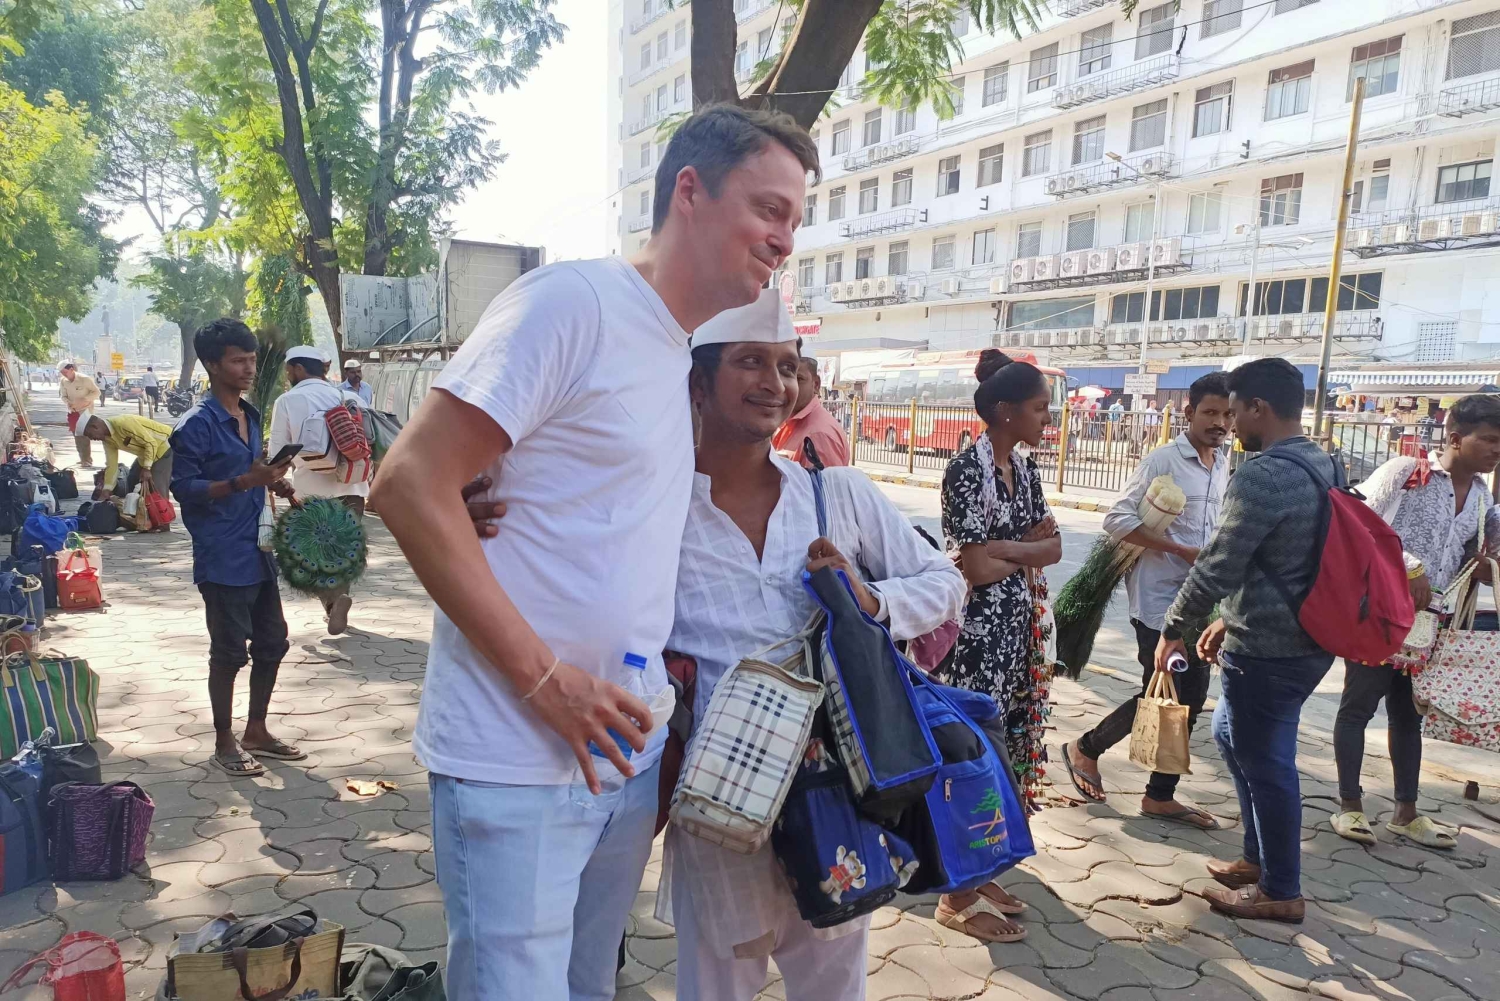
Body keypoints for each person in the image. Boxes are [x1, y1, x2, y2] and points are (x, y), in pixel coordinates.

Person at [367, 104, 819, 1001]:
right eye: (770, 210)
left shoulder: (671, 351)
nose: (784, 241)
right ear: (689, 190)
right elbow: (408, 482)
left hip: (620, 753)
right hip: (518, 753)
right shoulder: (569, 302)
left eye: (795, 222)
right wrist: (547, 682)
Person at [665, 293, 963, 1000]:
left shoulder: (838, 495)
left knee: (833, 984)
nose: (774, 382)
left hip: (838, 791)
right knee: (716, 985)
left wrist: (874, 602)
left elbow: (945, 581)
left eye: (787, 365)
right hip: (722, 803)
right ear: (698, 382)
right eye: (750, 362)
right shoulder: (659, 504)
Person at [1154, 357, 1334, 923]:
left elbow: (1218, 565)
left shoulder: (1262, 473)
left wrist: (1172, 630)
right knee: (1230, 736)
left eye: (1235, 413)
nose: (1231, 425)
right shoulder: (1321, 462)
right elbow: (1291, 556)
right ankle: (1259, 861)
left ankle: (1282, 890)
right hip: (1298, 634)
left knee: (1267, 760)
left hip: (1273, 647)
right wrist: (1226, 620)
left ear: (1259, 408)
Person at [1062, 373, 1233, 830]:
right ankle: (1089, 750)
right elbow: (1116, 519)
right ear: (1188, 413)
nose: (1220, 422)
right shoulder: (1164, 460)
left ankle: (1157, 793)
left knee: (1184, 696)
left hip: (1198, 601)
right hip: (1159, 601)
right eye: (1210, 412)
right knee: (1173, 693)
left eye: (1227, 414)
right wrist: (1180, 550)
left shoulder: (1221, 463)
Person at [1331, 394, 1500, 850]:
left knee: (1409, 716)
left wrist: (1486, 564)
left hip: (1433, 628)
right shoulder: (1405, 472)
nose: (1496, 451)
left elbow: (1481, 551)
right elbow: (1354, 519)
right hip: (1380, 616)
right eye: (1489, 440)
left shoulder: (1484, 498)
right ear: (1455, 438)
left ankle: (1406, 812)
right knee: (1358, 708)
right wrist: (1410, 567)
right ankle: (1349, 806)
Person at [937, 349, 1062, 944]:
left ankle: (984, 872)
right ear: (1006, 411)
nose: (1049, 417)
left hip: (1017, 632)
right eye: (1040, 408)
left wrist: (1005, 548)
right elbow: (974, 569)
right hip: (975, 637)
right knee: (971, 757)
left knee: (1006, 750)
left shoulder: (1026, 470)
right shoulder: (966, 470)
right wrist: (1021, 548)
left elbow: (1053, 548)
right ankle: (955, 893)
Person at [170, 319, 304, 778]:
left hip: (258, 549)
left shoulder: (248, 415)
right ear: (212, 365)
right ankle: (224, 741)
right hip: (222, 555)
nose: (249, 368)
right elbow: (183, 488)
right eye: (237, 360)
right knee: (228, 653)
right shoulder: (195, 425)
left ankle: (257, 731)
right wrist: (245, 481)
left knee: (273, 643)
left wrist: (274, 481)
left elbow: (250, 469)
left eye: (251, 359)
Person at [267, 346, 369, 636]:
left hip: (310, 490)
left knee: (317, 553)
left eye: (289, 370)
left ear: (298, 369)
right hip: (353, 485)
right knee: (345, 549)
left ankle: (333, 602)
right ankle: (339, 599)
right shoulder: (347, 396)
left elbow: (278, 450)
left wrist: (275, 482)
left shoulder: (288, 400)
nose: (287, 376)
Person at [771, 342, 849, 468]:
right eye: (784, 377)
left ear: (816, 384)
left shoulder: (818, 435)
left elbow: (820, 487)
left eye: (799, 379)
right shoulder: (784, 420)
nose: (790, 386)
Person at [81, 414, 174, 508]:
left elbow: (151, 443)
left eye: (90, 435)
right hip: (146, 454)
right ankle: (138, 513)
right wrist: (107, 489)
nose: (92, 439)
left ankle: (163, 519)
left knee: (157, 485)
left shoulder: (123, 423)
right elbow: (111, 465)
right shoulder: (107, 440)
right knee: (132, 478)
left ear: (95, 426)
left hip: (165, 446)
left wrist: (147, 468)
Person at [59, 362, 101, 467]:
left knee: (84, 435)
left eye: (65, 372)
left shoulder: (84, 379)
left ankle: (87, 459)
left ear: (71, 369)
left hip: (85, 411)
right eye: (61, 373)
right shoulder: (64, 381)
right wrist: (68, 403)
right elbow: (63, 396)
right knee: (76, 435)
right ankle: (82, 458)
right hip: (73, 412)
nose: (64, 374)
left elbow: (97, 392)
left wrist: (85, 399)